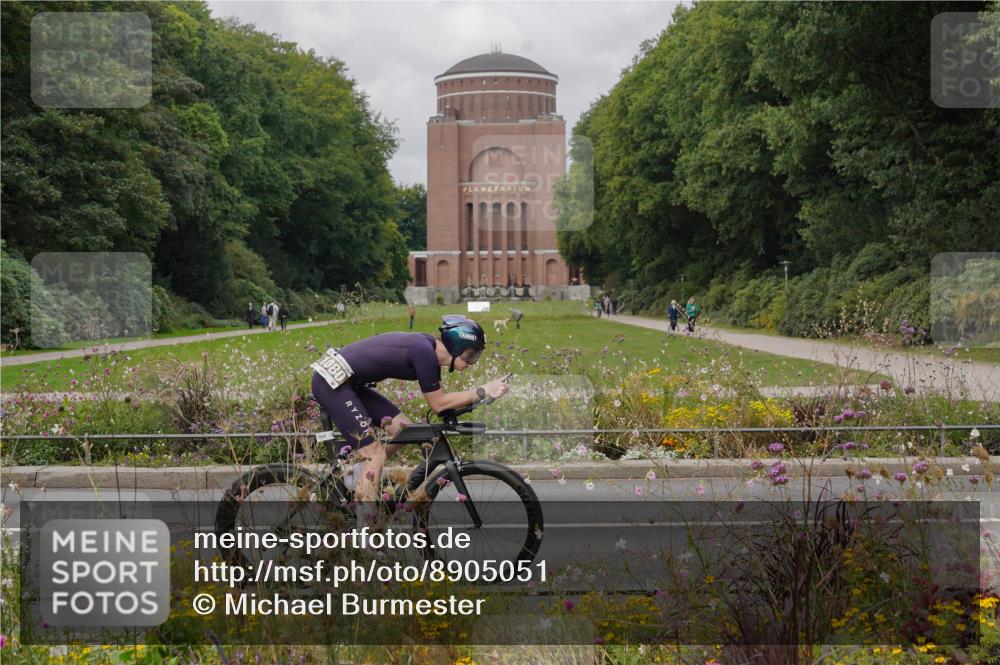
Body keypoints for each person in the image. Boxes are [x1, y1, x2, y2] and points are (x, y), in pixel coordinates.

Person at [310, 315, 510, 511]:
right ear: (457, 347)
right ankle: (366, 533)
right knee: (376, 455)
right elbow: (439, 404)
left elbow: (443, 403)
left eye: (477, 356)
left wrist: (482, 396)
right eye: (471, 355)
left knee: (404, 431)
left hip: (349, 383)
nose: (472, 361)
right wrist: (482, 390)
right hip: (331, 383)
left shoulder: (429, 352)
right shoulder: (424, 353)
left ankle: (357, 473)